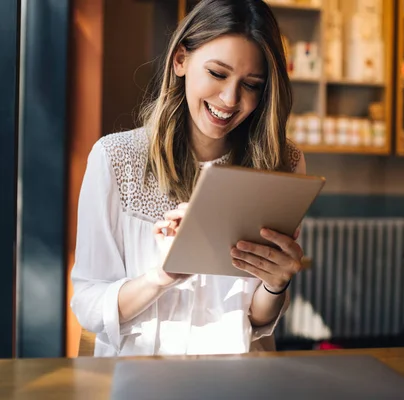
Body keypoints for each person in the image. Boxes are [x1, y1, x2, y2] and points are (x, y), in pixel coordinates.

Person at [70, 0, 306, 357]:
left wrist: (275, 285)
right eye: (217, 73)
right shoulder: (115, 158)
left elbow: (257, 324)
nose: (230, 99)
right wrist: (162, 277)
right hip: (141, 381)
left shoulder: (282, 162)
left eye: (252, 84)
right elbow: (89, 306)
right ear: (180, 59)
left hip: (239, 381)